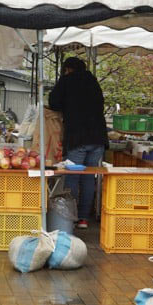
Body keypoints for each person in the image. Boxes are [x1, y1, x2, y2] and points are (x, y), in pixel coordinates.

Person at [48, 56, 108, 229]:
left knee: (73, 176)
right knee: (89, 177)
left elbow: (54, 103)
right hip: (97, 137)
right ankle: (83, 218)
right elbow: (100, 105)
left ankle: (71, 217)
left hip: (78, 137)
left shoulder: (67, 81)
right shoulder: (93, 81)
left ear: (67, 69)